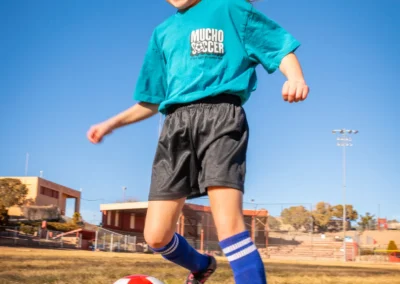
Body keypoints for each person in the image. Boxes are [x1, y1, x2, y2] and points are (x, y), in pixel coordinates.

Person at [87, 0, 309, 283]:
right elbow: (152, 100)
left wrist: (295, 77)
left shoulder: (230, 8)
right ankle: (202, 265)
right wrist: (110, 123)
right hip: (174, 127)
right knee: (155, 236)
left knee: (228, 224)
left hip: (221, 117)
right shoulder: (162, 32)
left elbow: (279, 48)